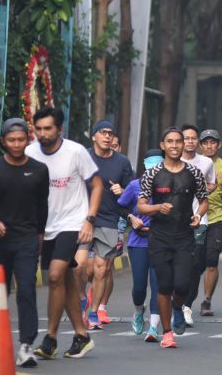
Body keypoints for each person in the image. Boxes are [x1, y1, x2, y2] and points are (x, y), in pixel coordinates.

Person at [26, 107, 103, 359]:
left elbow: (97, 184)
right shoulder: (30, 152)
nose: (42, 133)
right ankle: (82, 335)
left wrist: (89, 220)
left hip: (72, 223)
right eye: (38, 129)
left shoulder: (75, 152)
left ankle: (50, 338)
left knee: (56, 276)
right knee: (67, 280)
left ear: (59, 129)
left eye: (48, 128)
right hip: (45, 226)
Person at [0, 118, 49, 368]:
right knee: (0, 292)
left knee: (27, 288)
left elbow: (43, 207)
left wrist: (40, 237)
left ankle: (26, 345)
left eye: (21, 140)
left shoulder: (39, 170)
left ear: (27, 140)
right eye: (11, 140)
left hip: (27, 239)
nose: (17, 144)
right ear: (4, 141)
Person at [138, 126, 208, 348]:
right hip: (159, 237)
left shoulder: (194, 173)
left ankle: (178, 307)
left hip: (185, 236)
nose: (175, 145)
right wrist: (158, 207)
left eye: (179, 141)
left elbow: (204, 200)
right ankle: (167, 333)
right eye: (170, 141)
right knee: (164, 285)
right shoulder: (152, 174)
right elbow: (141, 205)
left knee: (182, 285)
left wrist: (198, 215)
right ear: (163, 145)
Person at [83, 120, 134, 330]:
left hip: (109, 220)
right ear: (94, 136)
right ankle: (80, 302)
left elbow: (133, 192)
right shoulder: (82, 157)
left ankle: (94, 311)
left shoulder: (122, 162)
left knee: (102, 269)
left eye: (110, 133)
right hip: (81, 220)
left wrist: (122, 191)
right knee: (83, 271)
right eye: (103, 133)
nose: (107, 137)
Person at [117, 149, 162, 342]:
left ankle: (153, 326)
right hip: (138, 242)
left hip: (161, 241)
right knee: (139, 287)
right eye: (151, 167)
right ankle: (138, 311)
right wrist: (131, 217)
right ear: (145, 167)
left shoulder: (167, 186)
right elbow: (119, 206)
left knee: (158, 285)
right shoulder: (134, 185)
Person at [180, 124, 216, 325]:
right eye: (187, 138)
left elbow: (212, 183)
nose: (190, 141)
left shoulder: (206, 162)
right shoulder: (172, 161)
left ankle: (187, 306)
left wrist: (202, 193)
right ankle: (174, 301)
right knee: (178, 264)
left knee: (195, 265)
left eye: (194, 138)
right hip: (175, 222)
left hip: (199, 219)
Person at [198, 129, 222, 316]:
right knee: (195, 263)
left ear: (218, 145)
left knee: (212, 261)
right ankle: (185, 298)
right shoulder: (192, 164)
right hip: (195, 219)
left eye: (213, 142)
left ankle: (206, 300)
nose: (209, 146)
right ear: (200, 145)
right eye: (206, 143)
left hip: (217, 218)